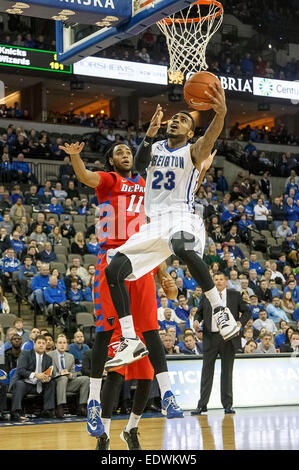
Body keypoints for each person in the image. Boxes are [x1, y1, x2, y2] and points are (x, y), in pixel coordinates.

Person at [95, 86, 239, 369]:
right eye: (174, 118)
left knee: (181, 246)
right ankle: (130, 340)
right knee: (114, 270)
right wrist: (148, 135)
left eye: (184, 120)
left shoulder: (194, 149)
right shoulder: (156, 146)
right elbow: (138, 166)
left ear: (189, 133)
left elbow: (210, 136)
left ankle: (219, 309)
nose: (175, 120)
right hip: (153, 224)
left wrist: (220, 115)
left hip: (181, 216)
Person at [60, 141, 186, 441]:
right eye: (119, 152)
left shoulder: (144, 185)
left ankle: (139, 420)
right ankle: (99, 419)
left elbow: (152, 233)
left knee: (148, 350)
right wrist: (76, 157)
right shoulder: (109, 179)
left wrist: (164, 272)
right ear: (111, 161)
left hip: (141, 260)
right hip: (113, 259)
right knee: (110, 348)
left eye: (128, 151)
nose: (125, 154)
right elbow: (86, 177)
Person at [191, 272, 251, 415]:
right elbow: (199, 313)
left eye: (221, 279)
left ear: (226, 281)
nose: (218, 282)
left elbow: (247, 312)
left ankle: (228, 405)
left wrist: (239, 323)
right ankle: (202, 405)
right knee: (206, 372)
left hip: (228, 339)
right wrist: (196, 321)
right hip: (210, 338)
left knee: (227, 372)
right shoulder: (207, 295)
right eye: (216, 279)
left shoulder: (235, 295)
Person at [9, 335, 56, 421]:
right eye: (39, 343)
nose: (41, 345)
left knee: (51, 382)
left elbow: (51, 373)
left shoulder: (48, 358)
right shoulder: (25, 354)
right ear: (34, 344)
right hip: (26, 383)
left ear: (46, 345)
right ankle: (16, 412)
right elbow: (20, 370)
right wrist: (35, 375)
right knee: (20, 384)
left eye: (43, 343)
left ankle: (47, 410)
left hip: (40, 384)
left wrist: (47, 377)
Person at [47, 334, 89, 419]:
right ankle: (60, 406)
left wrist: (70, 375)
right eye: (60, 342)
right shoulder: (49, 355)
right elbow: (48, 372)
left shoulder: (70, 357)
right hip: (55, 383)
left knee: (86, 379)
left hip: (68, 382)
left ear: (67, 345)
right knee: (62, 378)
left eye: (64, 343)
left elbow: (74, 373)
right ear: (56, 344)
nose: (62, 345)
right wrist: (60, 373)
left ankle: (82, 406)